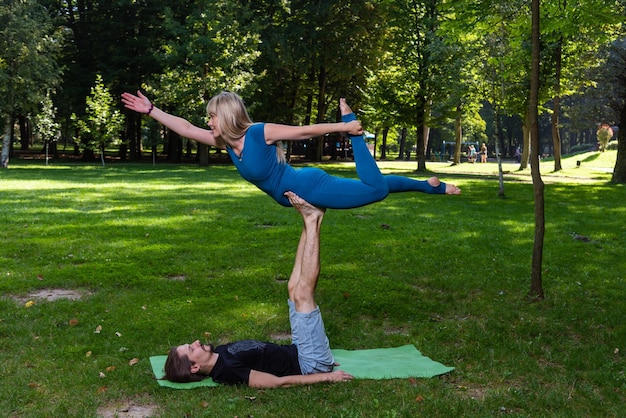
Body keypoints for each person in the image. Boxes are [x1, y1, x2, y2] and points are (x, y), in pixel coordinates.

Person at [121, 91, 460, 209]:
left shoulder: (258, 133)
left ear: (225, 115)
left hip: (308, 187)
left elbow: (303, 132)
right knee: (374, 186)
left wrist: (345, 127)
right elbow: (186, 129)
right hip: (299, 190)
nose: (208, 122)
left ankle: (357, 132)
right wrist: (152, 111)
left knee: (375, 190)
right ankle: (430, 186)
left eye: (212, 116)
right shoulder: (226, 143)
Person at [163, 191, 354, 387]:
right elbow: (278, 382)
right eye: (191, 349)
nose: (195, 342)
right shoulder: (228, 371)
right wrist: (328, 376)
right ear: (194, 367)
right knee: (303, 295)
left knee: (292, 288)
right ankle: (312, 218)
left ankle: (313, 219)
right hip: (309, 365)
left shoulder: (218, 354)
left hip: (299, 351)